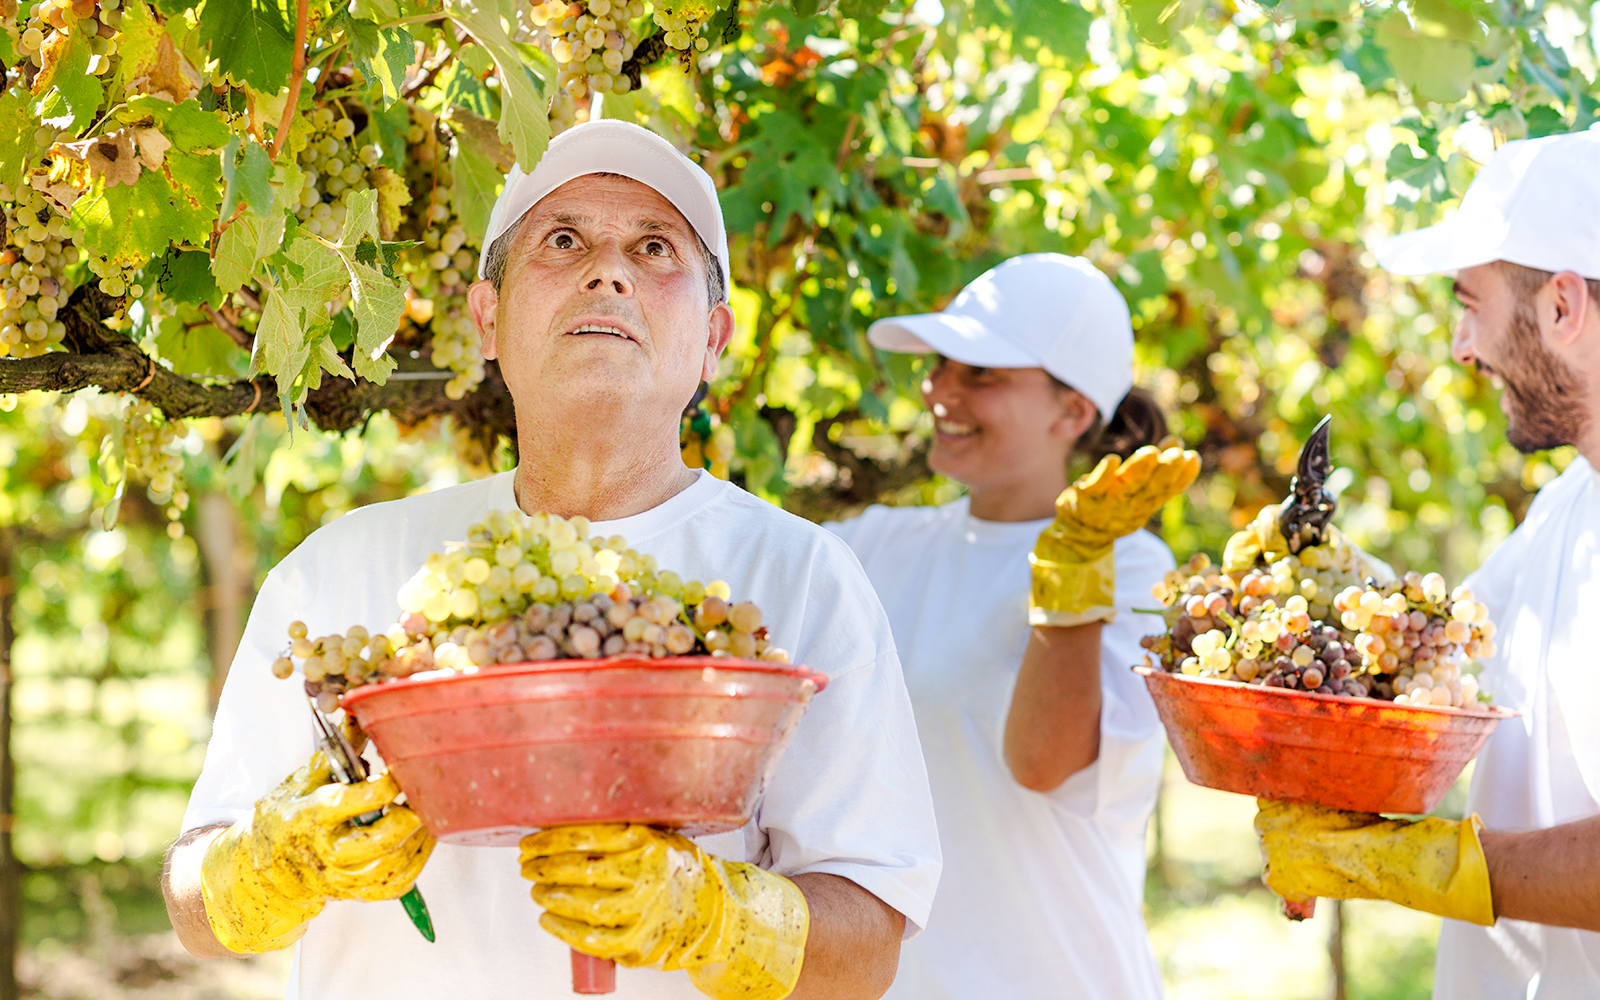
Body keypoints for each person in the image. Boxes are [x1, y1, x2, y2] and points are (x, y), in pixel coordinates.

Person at [160, 119, 942, 1000]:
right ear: (487, 319)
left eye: (655, 249)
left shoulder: (804, 579)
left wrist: (713, 916)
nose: (607, 271)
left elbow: (868, 949)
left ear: (714, 340)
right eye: (562, 241)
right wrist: (276, 861)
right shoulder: (338, 570)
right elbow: (194, 910)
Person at [1255, 129, 1600, 998]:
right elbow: (1448, 643)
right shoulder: (1571, 503)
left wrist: (1411, 864)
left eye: (1469, 303)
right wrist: (1321, 566)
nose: (1460, 346)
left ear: (1563, 307)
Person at [825, 253, 1200, 999]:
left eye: (982, 373)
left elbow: (1042, 761)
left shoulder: (1131, 569)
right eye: (940, 364)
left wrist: (1073, 564)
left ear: (1073, 413)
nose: (938, 388)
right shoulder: (874, 546)